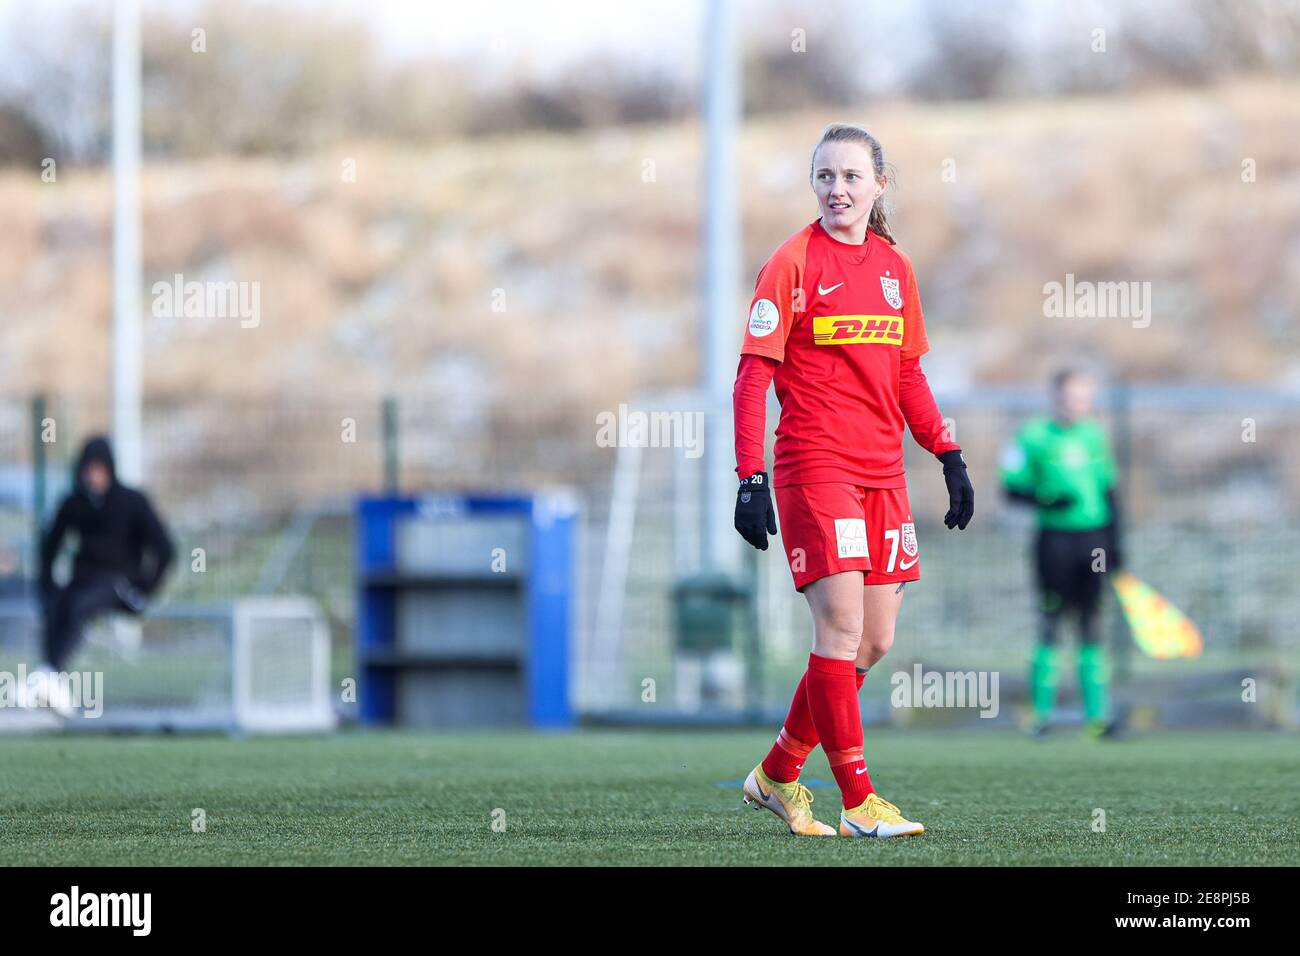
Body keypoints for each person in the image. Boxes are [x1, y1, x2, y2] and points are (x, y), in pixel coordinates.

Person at [733, 123, 974, 838]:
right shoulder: (792, 261)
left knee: (872, 643)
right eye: (825, 177)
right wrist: (752, 476)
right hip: (817, 468)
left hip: (883, 476)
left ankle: (776, 774)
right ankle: (860, 802)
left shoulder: (895, 269)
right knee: (838, 629)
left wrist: (947, 452)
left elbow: (907, 374)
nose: (837, 190)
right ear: (814, 185)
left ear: (878, 186)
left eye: (850, 177)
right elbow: (753, 378)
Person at [999, 368, 1122, 739]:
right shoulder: (1033, 436)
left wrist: (1116, 546)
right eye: (1070, 396)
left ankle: (1098, 718)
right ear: (1057, 398)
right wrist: (1049, 499)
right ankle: (1041, 716)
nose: (1077, 404)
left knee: (1092, 625)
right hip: (1054, 542)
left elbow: (1110, 493)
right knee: (1050, 622)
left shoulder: (1095, 437)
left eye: (1083, 397)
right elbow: (1011, 490)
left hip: (1093, 541)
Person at [32, 436, 175, 713]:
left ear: (109, 469)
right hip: (83, 580)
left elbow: (165, 548)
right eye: (87, 469)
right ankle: (53, 680)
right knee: (57, 606)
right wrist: (47, 587)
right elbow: (49, 547)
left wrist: (146, 588)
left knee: (78, 605)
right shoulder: (73, 504)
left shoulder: (132, 501)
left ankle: (48, 677)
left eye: (98, 469)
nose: (92, 476)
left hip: (120, 584)